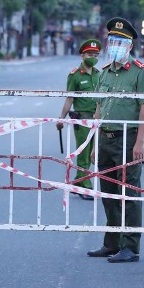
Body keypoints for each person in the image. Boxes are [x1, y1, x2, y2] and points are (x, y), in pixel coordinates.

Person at [86, 17, 144, 263]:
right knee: (109, 192)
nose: (114, 45)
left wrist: (140, 143)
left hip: (129, 138)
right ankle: (111, 242)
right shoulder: (104, 72)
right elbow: (98, 110)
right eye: (111, 40)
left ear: (129, 46)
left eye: (120, 41)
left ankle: (130, 247)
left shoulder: (139, 72)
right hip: (106, 138)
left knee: (129, 193)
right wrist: (94, 143)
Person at [58, 39, 102, 199]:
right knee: (83, 154)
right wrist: (61, 119)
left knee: (93, 153)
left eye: (96, 55)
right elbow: (69, 98)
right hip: (82, 120)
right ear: (82, 55)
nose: (93, 57)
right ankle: (86, 187)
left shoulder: (99, 74)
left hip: (96, 119)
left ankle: (78, 182)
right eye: (90, 54)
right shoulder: (75, 76)